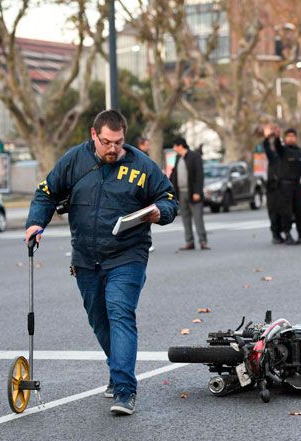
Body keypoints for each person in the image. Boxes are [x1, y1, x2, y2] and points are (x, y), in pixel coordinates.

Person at [24, 110, 178, 416]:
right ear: (94, 135)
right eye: (106, 142)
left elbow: (169, 198)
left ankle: (124, 389)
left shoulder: (142, 165)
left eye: (118, 142)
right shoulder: (74, 161)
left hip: (127, 254)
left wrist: (160, 212)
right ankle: (117, 367)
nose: (112, 149)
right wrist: (34, 224)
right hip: (85, 257)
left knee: (120, 313)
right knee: (100, 319)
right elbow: (47, 193)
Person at [264, 126, 301, 245]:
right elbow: (276, 146)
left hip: (296, 185)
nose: (291, 138)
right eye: (288, 136)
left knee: (300, 211)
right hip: (284, 186)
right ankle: (287, 234)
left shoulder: (300, 152)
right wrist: (276, 136)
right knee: (286, 212)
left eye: (293, 136)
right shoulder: (282, 151)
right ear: (285, 138)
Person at [170, 137, 208, 250]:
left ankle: (203, 241)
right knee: (185, 218)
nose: (173, 148)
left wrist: (197, 192)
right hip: (181, 193)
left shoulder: (194, 156)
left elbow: (199, 175)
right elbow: (174, 174)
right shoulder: (178, 158)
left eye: (174, 146)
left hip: (193, 193)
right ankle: (189, 241)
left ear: (180, 146)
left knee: (198, 218)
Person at [262, 124, 284, 244]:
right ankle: (275, 234)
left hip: (284, 188)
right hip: (273, 188)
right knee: (274, 213)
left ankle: (283, 232)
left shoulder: (286, 156)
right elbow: (267, 147)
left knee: (284, 213)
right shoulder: (273, 157)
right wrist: (268, 137)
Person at [135, 136, 155, 252]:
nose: (148, 147)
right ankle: (145, 242)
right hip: (142, 191)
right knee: (145, 218)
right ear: (141, 145)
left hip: (142, 191)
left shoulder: (138, 156)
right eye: (147, 145)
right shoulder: (141, 158)